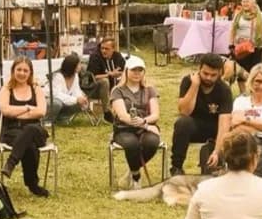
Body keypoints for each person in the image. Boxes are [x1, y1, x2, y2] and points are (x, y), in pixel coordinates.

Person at [0, 57, 51, 197]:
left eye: (25, 70)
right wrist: (27, 108)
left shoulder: (36, 88)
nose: (22, 73)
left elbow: (41, 111)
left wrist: (17, 113)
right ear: (13, 71)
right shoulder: (6, 89)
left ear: (30, 72)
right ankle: (33, 184)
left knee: (30, 130)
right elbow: (5, 110)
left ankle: (11, 163)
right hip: (12, 131)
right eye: (19, 69)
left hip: (36, 130)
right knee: (29, 145)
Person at [172, 54, 233, 177]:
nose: (208, 78)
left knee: (227, 131)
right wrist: (195, 86)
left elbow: (224, 123)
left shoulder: (224, 90)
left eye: (213, 75)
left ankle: (215, 166)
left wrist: (217, 151)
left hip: (215, 130)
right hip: (193, 126)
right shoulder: (188, 81)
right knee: (182, 123)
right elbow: (184, 111)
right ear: (199, 69)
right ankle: (176, 168)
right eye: (205, 73)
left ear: (220, 73)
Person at [110, 55, 161, 190]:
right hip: (124, 129)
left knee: (152, 143)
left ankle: (132, 169)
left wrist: (145, 123)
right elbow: (123, 116)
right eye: (134, 70)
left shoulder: (150, 90)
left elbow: (155, 114)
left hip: (147, 127)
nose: (137, 73)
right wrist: (143, 124)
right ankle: (136, 176)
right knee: (131, 144)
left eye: (140, 70)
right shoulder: (117, 91)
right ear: (126, 71)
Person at [229, 0, 262, 74]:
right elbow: (232, 30)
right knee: (241, 72)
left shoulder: (261, 15)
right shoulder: (237, 15)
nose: (244, 4)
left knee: (254, 71)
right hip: (241, 47)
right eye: (243, 1)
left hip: (257, 48)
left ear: (253, 3)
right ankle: (243, 87)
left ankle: (251, 86)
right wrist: (231, 44)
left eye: (247, 2)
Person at [85, 37, 125, 119]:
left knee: (129, 78)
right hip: (95, 89)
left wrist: (119, 74)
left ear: (113, 49)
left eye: (106, 49)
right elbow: (94, 76)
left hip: (115, 87)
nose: (103, 51)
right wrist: (110, 74)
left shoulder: (118, 56)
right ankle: (107, 112)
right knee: (104, 81)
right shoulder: (95, 57)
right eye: (102, 48)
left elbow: (125, 71)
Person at [48, 53, 92, 123]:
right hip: (51, 101)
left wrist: (82, 98)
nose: (81, 66)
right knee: (57, 103)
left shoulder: (75, 76)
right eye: (79, 64)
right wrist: (76, 100)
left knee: (80, 103)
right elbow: (57, 95)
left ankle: (62, 118)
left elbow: (76, 91)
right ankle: (47, 120)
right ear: (72, 66)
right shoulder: (58, 76)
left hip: (64, 101)